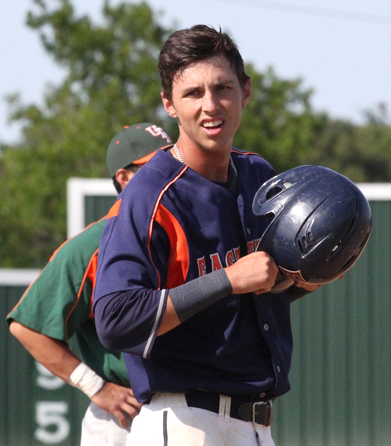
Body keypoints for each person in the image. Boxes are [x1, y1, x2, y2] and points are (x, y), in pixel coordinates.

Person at [93, 26, 318, 446]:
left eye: (223, 88)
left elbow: (251, 296)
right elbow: (115, 319)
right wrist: (229, 278)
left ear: (245, 92)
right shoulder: (151, 194)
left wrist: (306, 279)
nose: (210, 105)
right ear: (169, 105)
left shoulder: (258, 175)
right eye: (192, 93)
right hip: (183, 422)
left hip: (255, 421)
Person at [7, 122, 172, 446]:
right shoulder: (93, 244)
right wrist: (96, 387)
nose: (167, 173)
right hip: (125, 419)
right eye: (153, 165)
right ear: (124, 178)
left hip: (185, 413)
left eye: (171, 161)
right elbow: (26, 327)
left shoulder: (181, 233)